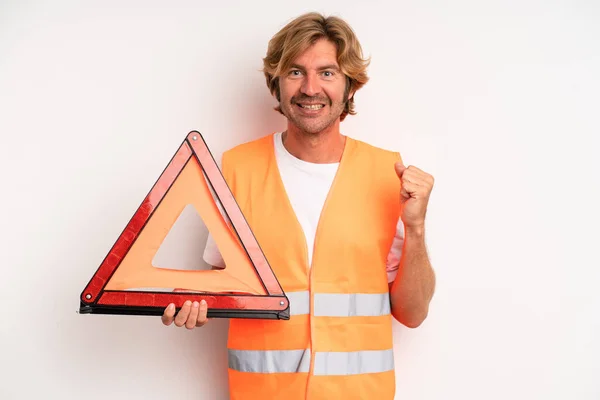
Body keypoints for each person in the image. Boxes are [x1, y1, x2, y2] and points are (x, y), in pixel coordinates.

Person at [162, 11, 436, 399]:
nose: (310, 88)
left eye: (327, 73)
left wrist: (417, 229)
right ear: (276, 83)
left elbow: (413, 313)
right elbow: (223, 286)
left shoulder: (387, 174)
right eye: (295, 72)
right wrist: (185, 302)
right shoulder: (236, 169)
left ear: (349, 86)